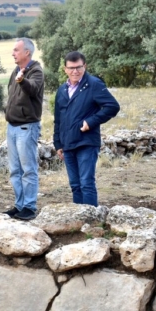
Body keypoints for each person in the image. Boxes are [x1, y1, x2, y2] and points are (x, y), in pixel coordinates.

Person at [54, 51, 120, 206]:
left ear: (85, 66)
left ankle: (91, 222)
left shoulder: (94, 84)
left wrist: (91, 121)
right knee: (75, 185)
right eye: (71, 68)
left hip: (86, 142)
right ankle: (79, 220)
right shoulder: (62, 90)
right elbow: (58, 119)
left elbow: (112, 106)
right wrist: (58, 143)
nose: (75, 71)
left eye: (78, 67)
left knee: (86, 183)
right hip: (68, 144)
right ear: (65, 69)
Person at [4, 37, 44, 221]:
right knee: (15, 169)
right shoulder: (15, 70)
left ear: (27, 52)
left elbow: (33, 89)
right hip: (12, 127)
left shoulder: (35, 70)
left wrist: (23, 81)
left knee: (28, 169)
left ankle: (29, 207)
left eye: (16, 50)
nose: (13, 53)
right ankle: (19, 205)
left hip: (26, 127)